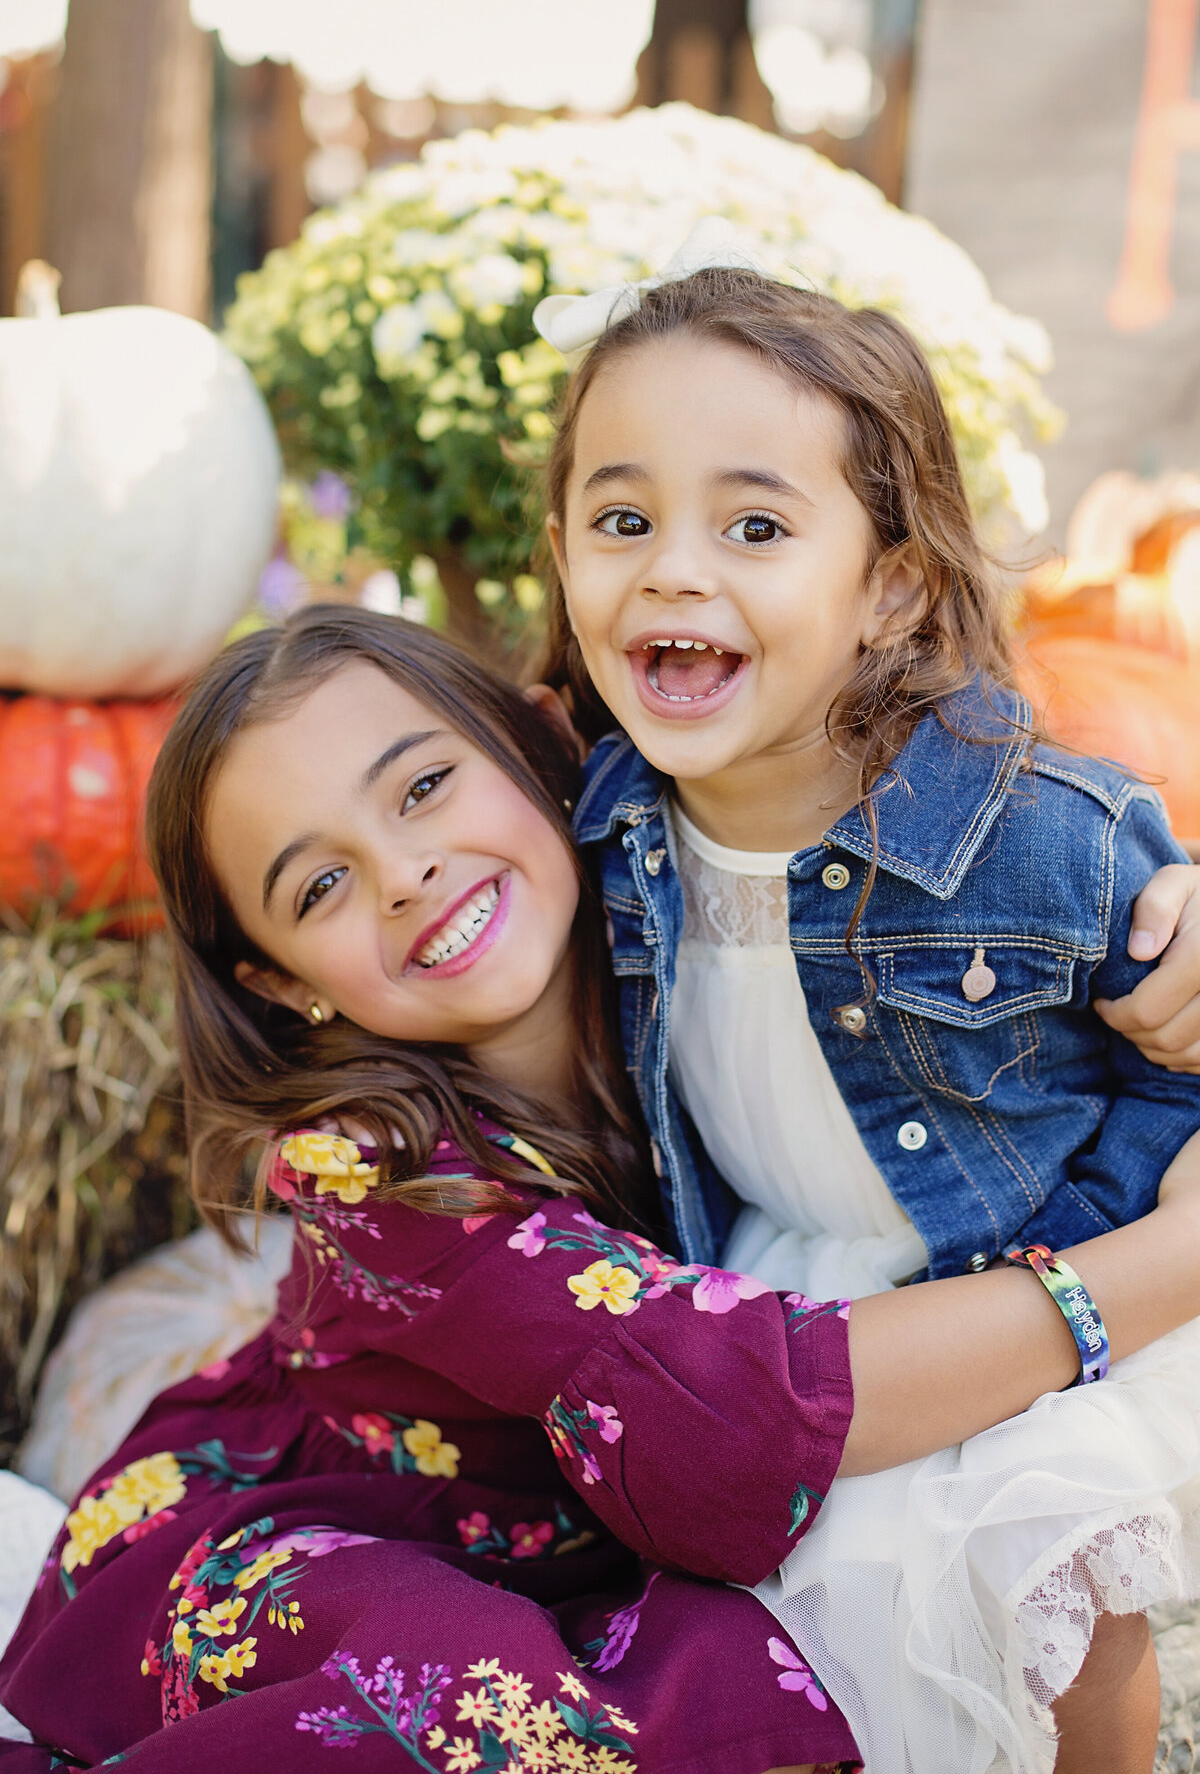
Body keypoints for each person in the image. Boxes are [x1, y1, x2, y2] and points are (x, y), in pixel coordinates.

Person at [5, 612, 1200, 1774]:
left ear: (537, 742)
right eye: (319, 887)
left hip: (580, 1537)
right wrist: (1177, 1256)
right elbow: (734, 1418)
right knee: (541, 1698)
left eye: (421, 788)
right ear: (282, 983)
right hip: (321, 1543)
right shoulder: (374, 1171)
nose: (406, 872)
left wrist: (1162, 924)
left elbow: (996, 894)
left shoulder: (703, 923)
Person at [533, 254, 1200, 1773]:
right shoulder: (599, 819)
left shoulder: (1042, 835)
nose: (674, 569)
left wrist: (1132, 1227)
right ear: (563, 553)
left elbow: (1179, 1032)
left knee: (1059, 1588)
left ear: (890, 585)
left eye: (755, 527)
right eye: (622, 520)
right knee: (845, 1647)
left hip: (1052, 1275)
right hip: (804, 1279)